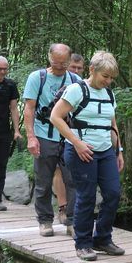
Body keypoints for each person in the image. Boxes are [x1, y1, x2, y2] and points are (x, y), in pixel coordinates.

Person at [50, 51, 124, 261]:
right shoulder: (76, 90)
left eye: (111, 78)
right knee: (87, 196)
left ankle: (102, 238)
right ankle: (82, 243)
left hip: (105, 151)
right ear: (92, 70)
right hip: (81, 151)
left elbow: (112, 124)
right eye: (105, 77)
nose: (108, 81)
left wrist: (118, 150)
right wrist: (77, 143)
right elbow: (56, 117)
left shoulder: (109, 94)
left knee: (113, 193)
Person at [23, 43, 78, 236]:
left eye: (64, 63)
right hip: (43, 134)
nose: (60, 66)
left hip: (68, 137)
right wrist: (31, 137)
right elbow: (29, 109)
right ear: (49, 58)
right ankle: (45, 221)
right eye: (56, 62)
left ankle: (72, 220)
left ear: (69, 61)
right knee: (43, 181)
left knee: (72, 180)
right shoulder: (37, 78)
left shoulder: (74, 79)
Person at [54, 53, 85, 224]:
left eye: (80, 68)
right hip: (53, 132)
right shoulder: (59, 81)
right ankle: (62, 207)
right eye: (73, 67)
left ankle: (73, 213)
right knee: (58, 170)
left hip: (75, 135)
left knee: (71, 175)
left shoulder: (85, 86)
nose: (76, 70)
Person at [0, 56, 22, 211]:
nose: (2, 71)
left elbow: (14, 108)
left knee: (1, 165)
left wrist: (17, 131)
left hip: (3, 131)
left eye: (4, 69)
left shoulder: (10, 85)